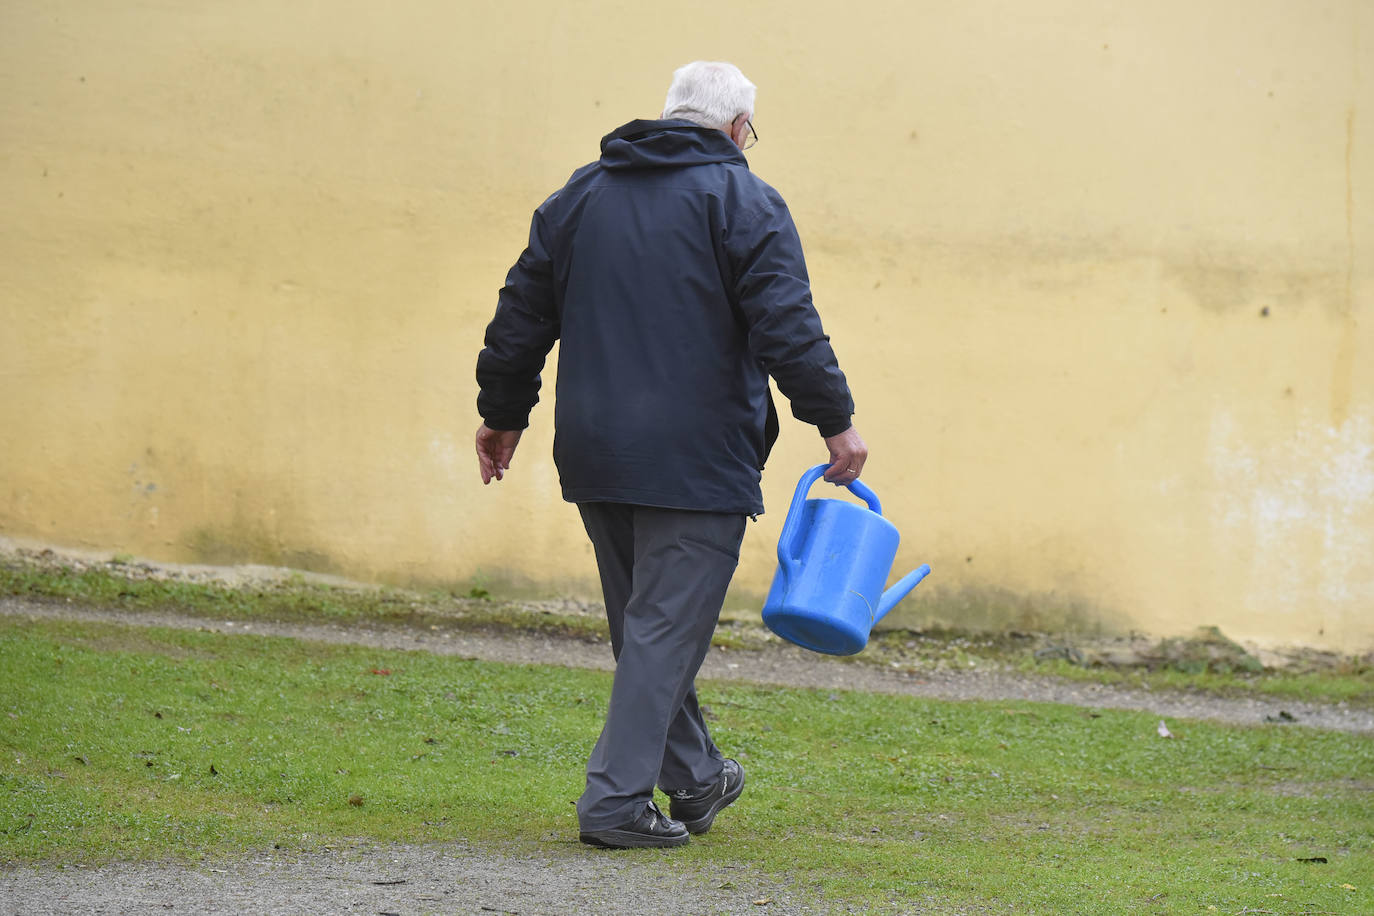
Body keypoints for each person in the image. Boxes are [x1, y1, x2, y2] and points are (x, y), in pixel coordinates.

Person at [474, 60, 867, 849]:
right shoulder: (743, 198)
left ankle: (695, 778)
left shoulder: (580, 196)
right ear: (737, 129)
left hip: (594, 450)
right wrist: (835, 421)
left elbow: (521, 312)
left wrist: (503, 412)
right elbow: (786, 320)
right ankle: (614, 805)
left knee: (647, 626)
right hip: (696, 456)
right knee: (660, 628)